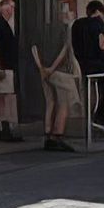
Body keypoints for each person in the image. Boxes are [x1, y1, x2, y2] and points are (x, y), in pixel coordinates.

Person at [32, 19, 80, 152]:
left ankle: (47, 134)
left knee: (50, 102)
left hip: (44, 70)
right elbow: (65, 50)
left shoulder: (40, 28)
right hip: (60, 71)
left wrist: (41, 68)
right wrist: (52, 68)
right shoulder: (64, 29)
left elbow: (34, 47)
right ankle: (57, 135)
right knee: (64, 103)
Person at [72, 0, 104, 133]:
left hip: (82, 65)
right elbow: (103, 45)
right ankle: (99, 118)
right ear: (99, 11)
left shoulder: (77, 24)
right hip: (98, 65)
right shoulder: (99, 24)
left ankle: (87, 118)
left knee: (89, 91)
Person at [0, 0, 23, 142]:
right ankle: (4, 130)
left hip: (5, 66)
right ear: (5, 9)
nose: (12, 11)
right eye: (11, 8)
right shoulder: (0, 25)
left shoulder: (1, 24)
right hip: (4, 68)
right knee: (5, 99)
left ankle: (1, 130)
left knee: (2, 99)